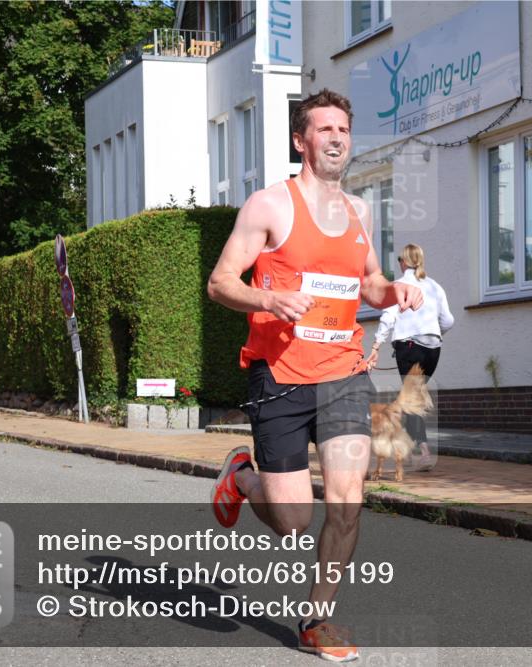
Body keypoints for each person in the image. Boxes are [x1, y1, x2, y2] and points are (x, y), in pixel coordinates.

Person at [206, 88, 423, 662]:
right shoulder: (269, 206)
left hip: (344, 371)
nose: (336, 138)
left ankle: (315, 620)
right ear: (302, 141)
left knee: (348, 501)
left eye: (344, 130)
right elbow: (220, 281)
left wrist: (393, 290)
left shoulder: (361, 210)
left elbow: (369, 281)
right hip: (279, 373)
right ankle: (243, 478)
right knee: (293, 521)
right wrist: (269, 300)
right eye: (324, 129)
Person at [367, 244, 454, 471]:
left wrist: (376, 345)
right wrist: (432, 333)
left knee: (410, 398)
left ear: (403, 262)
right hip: (433, 348)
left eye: (398, 261)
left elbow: (388, 317)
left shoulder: (399, 286)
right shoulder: (435, 286)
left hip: (410, 347)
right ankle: (409, 448)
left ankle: (423, 451)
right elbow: (448, 321)